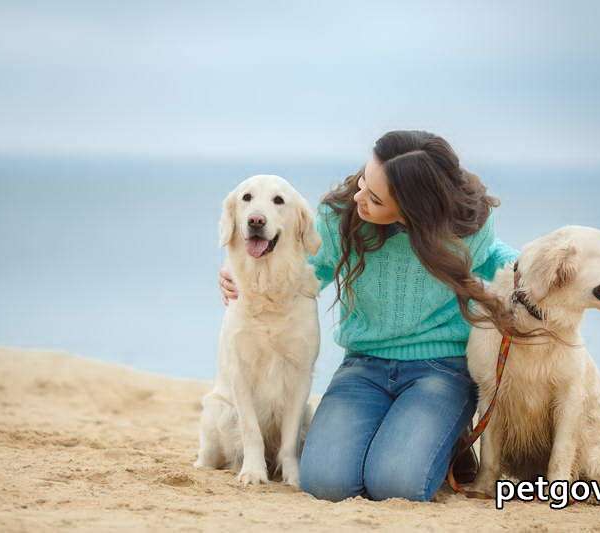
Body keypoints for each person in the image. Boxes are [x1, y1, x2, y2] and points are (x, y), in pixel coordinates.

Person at [218, 130, 522, 502]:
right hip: (365, 368)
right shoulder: (340, 217)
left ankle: (449, 441)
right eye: (364, 180)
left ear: (413, 208)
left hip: (440, 370)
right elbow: (306, 269)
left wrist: (531, 273)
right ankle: (409, 431)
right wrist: (247, 275)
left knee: (396, 484)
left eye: (375, 197)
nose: (359, 195)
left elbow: (495, 257)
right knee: (327, 483)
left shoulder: (465, 227)